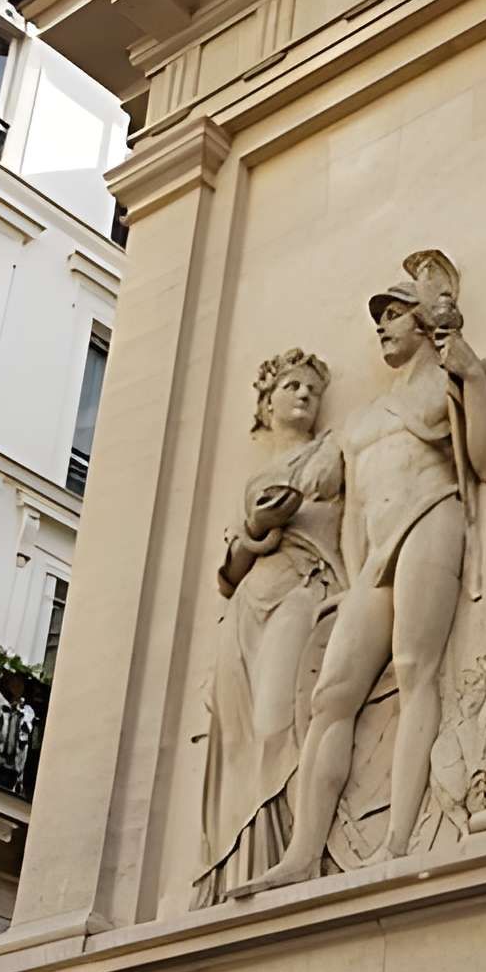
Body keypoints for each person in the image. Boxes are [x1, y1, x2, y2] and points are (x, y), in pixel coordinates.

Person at [246, 270, 486, 889]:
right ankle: (304, 852)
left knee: (417, 670)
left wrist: (473, 377)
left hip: (430, 521)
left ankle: (399, 841)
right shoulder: (359, 421)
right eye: (380, 317)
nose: (382, 327)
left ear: (422, 321)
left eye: (393, 314)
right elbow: (336, 503)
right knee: (330, 695)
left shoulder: (447, 382)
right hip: (370, 561)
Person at [192, 349, 342, 905]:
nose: (305, 395)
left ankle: (289, 853)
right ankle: (240, 864)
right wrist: (257, 526)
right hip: (249, 605)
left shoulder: (332, 451)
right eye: (293, 386)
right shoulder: (257, 475)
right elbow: (229, 574)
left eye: (313, 389)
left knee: (278, 723)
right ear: (268, 401)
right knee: (238, 740)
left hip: (305, 590)